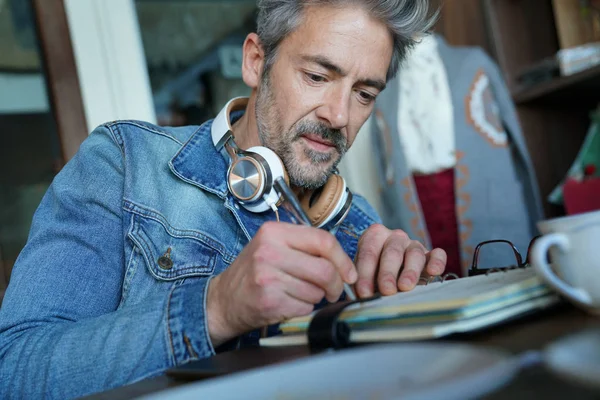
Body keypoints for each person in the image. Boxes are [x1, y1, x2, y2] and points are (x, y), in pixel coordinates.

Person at [0, 0, 446, 398]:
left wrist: (410, 305)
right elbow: (16, 371)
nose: (340, 115)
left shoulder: (365, 229)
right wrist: (216, 308)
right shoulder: (122, 164)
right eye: (316, 76)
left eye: (364, 94)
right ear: (255, 61)